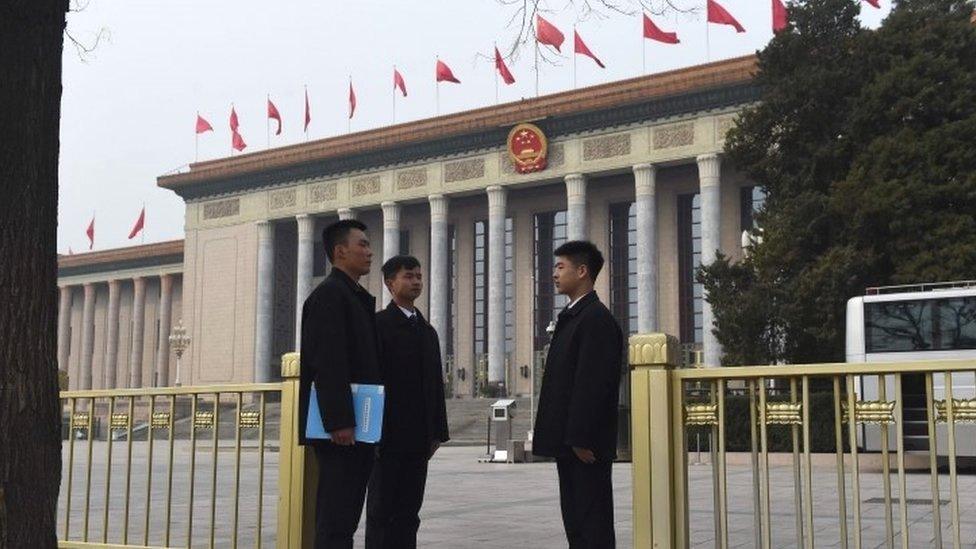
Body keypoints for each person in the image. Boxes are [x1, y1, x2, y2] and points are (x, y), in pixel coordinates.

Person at [532, 240, 624, 549]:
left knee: (592, 524)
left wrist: (580, 438)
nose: (554, 274)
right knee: (576, 524)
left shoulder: (596, 319)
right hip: (569, 444)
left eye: (561, 267)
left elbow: (593, 384)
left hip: (584, 447)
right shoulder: (572, 317)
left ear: (582, 271)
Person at [298, 219, 382, 549]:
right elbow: (327, 362)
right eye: (362, 244)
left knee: (345, 517)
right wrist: (339, 421)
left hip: (355, 426)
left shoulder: (353, 297)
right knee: (335, 518)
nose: (369, 252)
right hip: (341, 432)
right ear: (339, 251)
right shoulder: (330, 296)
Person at [366, 255, 450, 549]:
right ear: (390, 283)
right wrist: (371, 434)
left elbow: (434, 386)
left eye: (418, 276)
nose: (416, 282)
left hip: (418, 439)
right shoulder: (378, 326)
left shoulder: (427, 332)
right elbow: (370, 383)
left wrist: (438, 432)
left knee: (409, 513)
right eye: (408, 276)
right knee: (381, 511)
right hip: (386, 438)